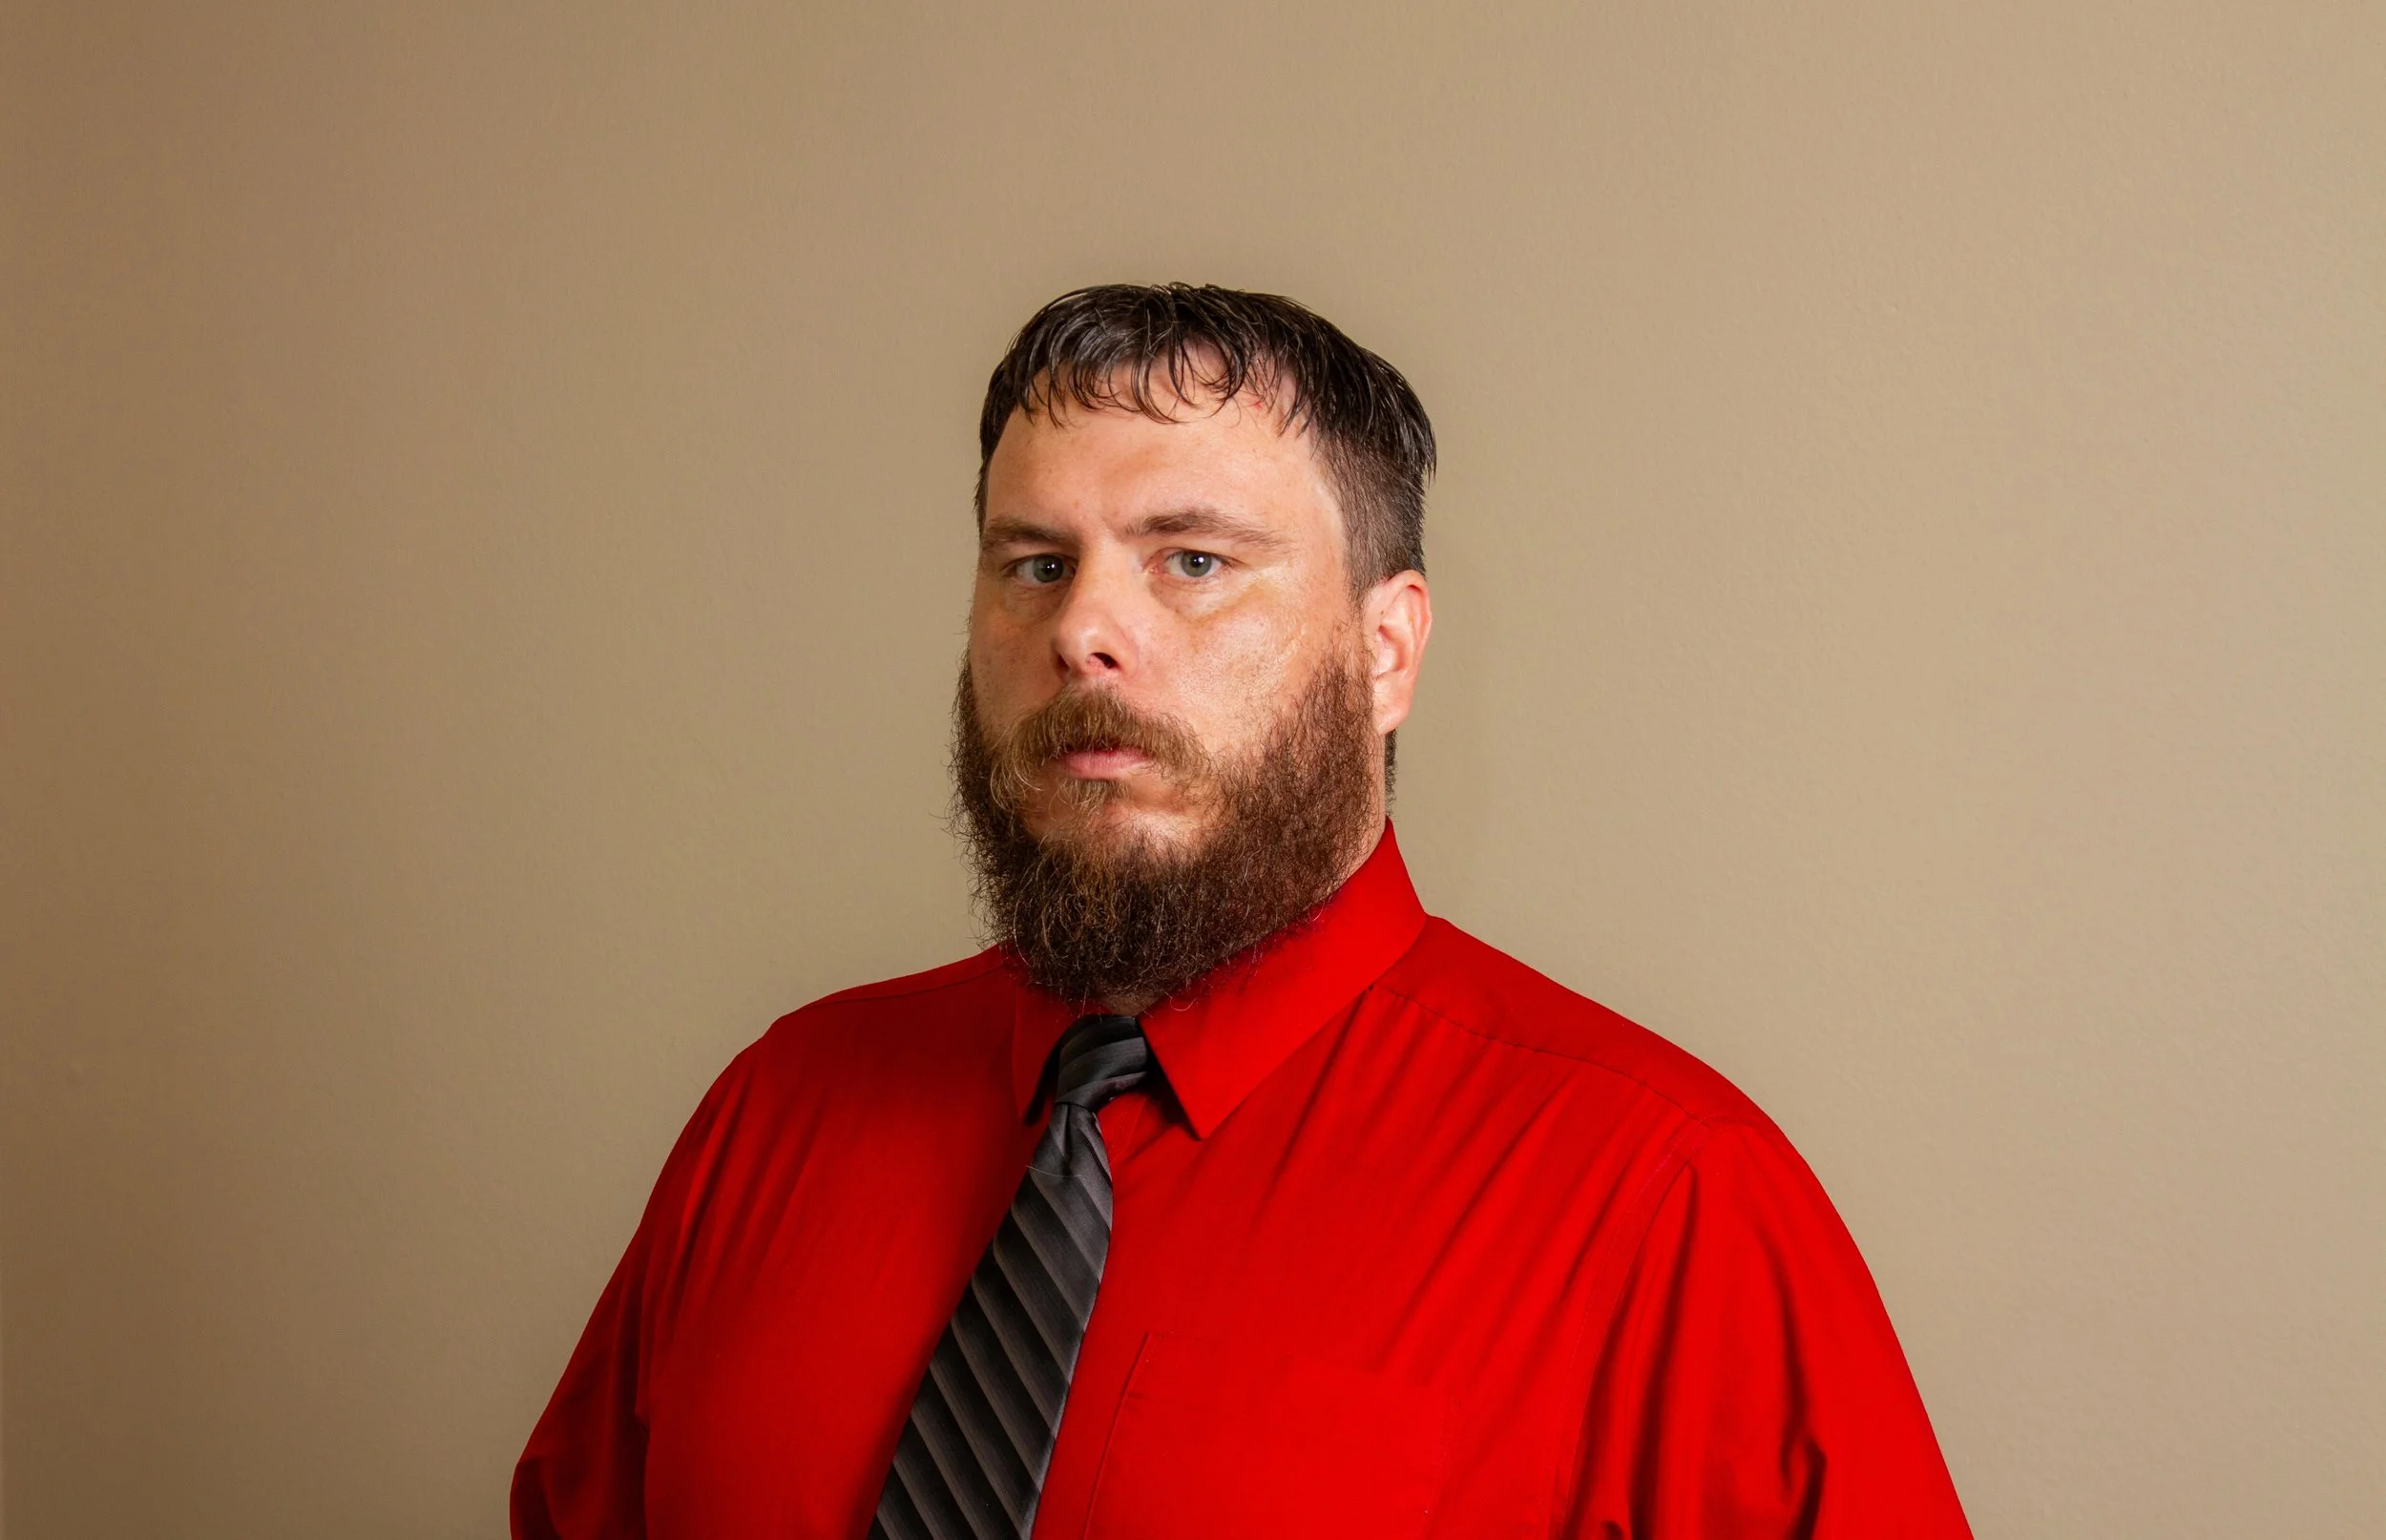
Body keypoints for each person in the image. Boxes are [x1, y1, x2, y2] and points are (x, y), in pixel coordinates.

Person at [512, 283, 1972, 1539]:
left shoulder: (1672, 1204)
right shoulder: (773, 1114)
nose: (1084, 629)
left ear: (1386, 649)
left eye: (1193, 561)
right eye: (1035, 564)